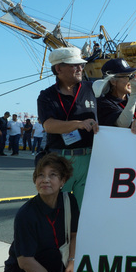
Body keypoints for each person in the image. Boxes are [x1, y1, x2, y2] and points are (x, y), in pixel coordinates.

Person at [4, 153, 88, 272]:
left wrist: (72, 261)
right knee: (50, 255)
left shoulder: (69, 201)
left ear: (63, 181)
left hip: (56, 263)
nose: (45, 180)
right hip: (21, 269)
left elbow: (74, 235)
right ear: (35, 180)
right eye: (40, 175)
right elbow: (25, 261)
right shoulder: (26, 214)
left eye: (53, 175)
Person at [38, 46, 98, 208]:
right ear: (59, 68)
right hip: (60, 160)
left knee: (84, 210)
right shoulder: (46, 96)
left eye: (81, 65)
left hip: (88, 159)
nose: (80, 68)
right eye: (74, 65)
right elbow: (49, 125)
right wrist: (78, 124)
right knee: (55, 210)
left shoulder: (92, 89)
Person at [94, 58, 136, 133]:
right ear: (113, 81)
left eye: (132, 76)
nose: (131, 80)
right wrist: (134, 93)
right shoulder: (104, 103)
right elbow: (123, 123)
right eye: (126, 76)